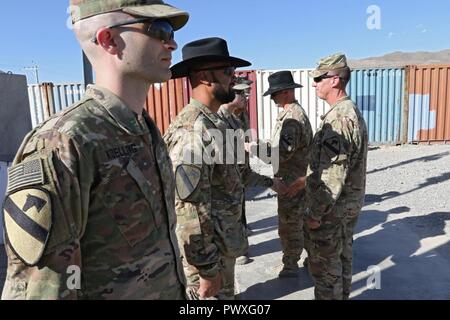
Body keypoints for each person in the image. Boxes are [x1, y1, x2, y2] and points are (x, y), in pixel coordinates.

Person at [1, 0, 189, 300]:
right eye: (160, 30)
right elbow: (41, 290)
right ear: (109, 40)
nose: (172, 43)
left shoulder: (143, 128)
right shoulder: (64, 142)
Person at [164, 37, 285, 300]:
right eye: (228, 72)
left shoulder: (217, 125)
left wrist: (270, 183)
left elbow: (237, 174)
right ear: (206, 77)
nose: (234, 78)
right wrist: (206, 271)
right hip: (207, 261)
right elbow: (188, 212)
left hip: (224, 249)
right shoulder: (193, 132)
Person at [304, 53, 368, 300]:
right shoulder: (347, 111)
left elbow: (332, 176)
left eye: (319, 78)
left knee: (327, 275)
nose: (314, 83)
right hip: (343, 210)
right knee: (341, 264)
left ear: (335, 80)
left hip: (331, 213)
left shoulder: (340, 119)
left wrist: (314, 214)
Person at [218, 77, 279, 266]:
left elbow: (247, 145)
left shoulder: (240, 115)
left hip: (241, 170)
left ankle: (239, 246)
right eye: (242, 93)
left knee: (240, 209)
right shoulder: (219, 119)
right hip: (228, 177)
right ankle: (236, 251)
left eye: (248, 92)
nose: (246, 96)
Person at [258, 71, 313, 277]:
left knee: (290, 226)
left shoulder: (292, 119)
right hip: (296, 179)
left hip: (292, 182)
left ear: (287, 92)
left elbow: (280, 155)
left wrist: (253, 149)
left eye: (275, 93)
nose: (272, 97)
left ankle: (290, 265)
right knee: (302, 222)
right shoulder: (290, 115)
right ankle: (311, 257)